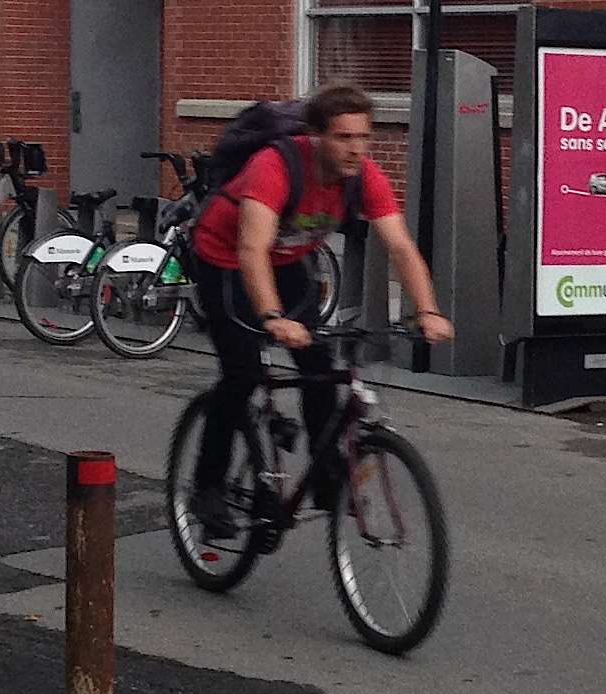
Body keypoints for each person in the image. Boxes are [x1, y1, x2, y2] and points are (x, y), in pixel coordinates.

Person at [186, 83, 452, 533]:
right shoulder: (275, 167)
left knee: (320, 366)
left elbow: (401, 246)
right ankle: (207, 488)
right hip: (224, 259)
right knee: (242, 373)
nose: (355, 149)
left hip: (287, 261)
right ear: (315, 137)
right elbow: (252, 249)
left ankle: (327, 477)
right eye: (343, 138)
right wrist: (273, 317)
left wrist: (427, 309)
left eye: (363, 138)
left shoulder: (365, 177)